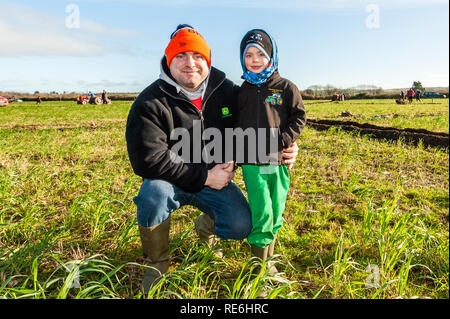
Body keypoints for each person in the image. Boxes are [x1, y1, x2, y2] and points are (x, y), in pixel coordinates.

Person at [125, 24, 299, 293]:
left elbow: (251, 126)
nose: (189, 64)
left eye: (197, 56)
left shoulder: (227, 90)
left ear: (207, 60)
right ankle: (157, 264)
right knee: (153, 194)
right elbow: (147, 160)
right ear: (169, 60)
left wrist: (286, 146)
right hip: (170, 181)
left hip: (214, 182)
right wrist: (205, 176)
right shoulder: (150, 101)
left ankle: (205, 226)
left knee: (243, 225)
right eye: (180, 56)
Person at [236, 29, 306, 274]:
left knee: (276, 213)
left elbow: (299, 117)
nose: (254, 60)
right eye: (248, 55)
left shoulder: (286, 88)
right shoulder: (241, 91)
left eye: (260, 54)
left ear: (271, 56)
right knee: (262, 212)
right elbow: (234, 123)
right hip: (252, 162)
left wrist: (285, 140)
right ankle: (258, 271)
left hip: (278, 162)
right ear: (242, 58)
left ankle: (269, 262)